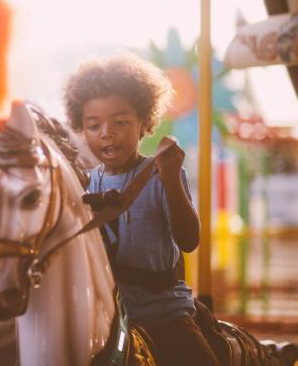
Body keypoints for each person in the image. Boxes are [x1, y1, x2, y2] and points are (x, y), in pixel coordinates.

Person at [64, 54, 219, 366]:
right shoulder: (85, 184)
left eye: (120, 122)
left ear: (145, 122)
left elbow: (188, 240)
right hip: (104, 316)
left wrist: (173, 179)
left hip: (162, 312)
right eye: (93, 125)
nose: (106, 132)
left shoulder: (162, 173)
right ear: (81, 127)